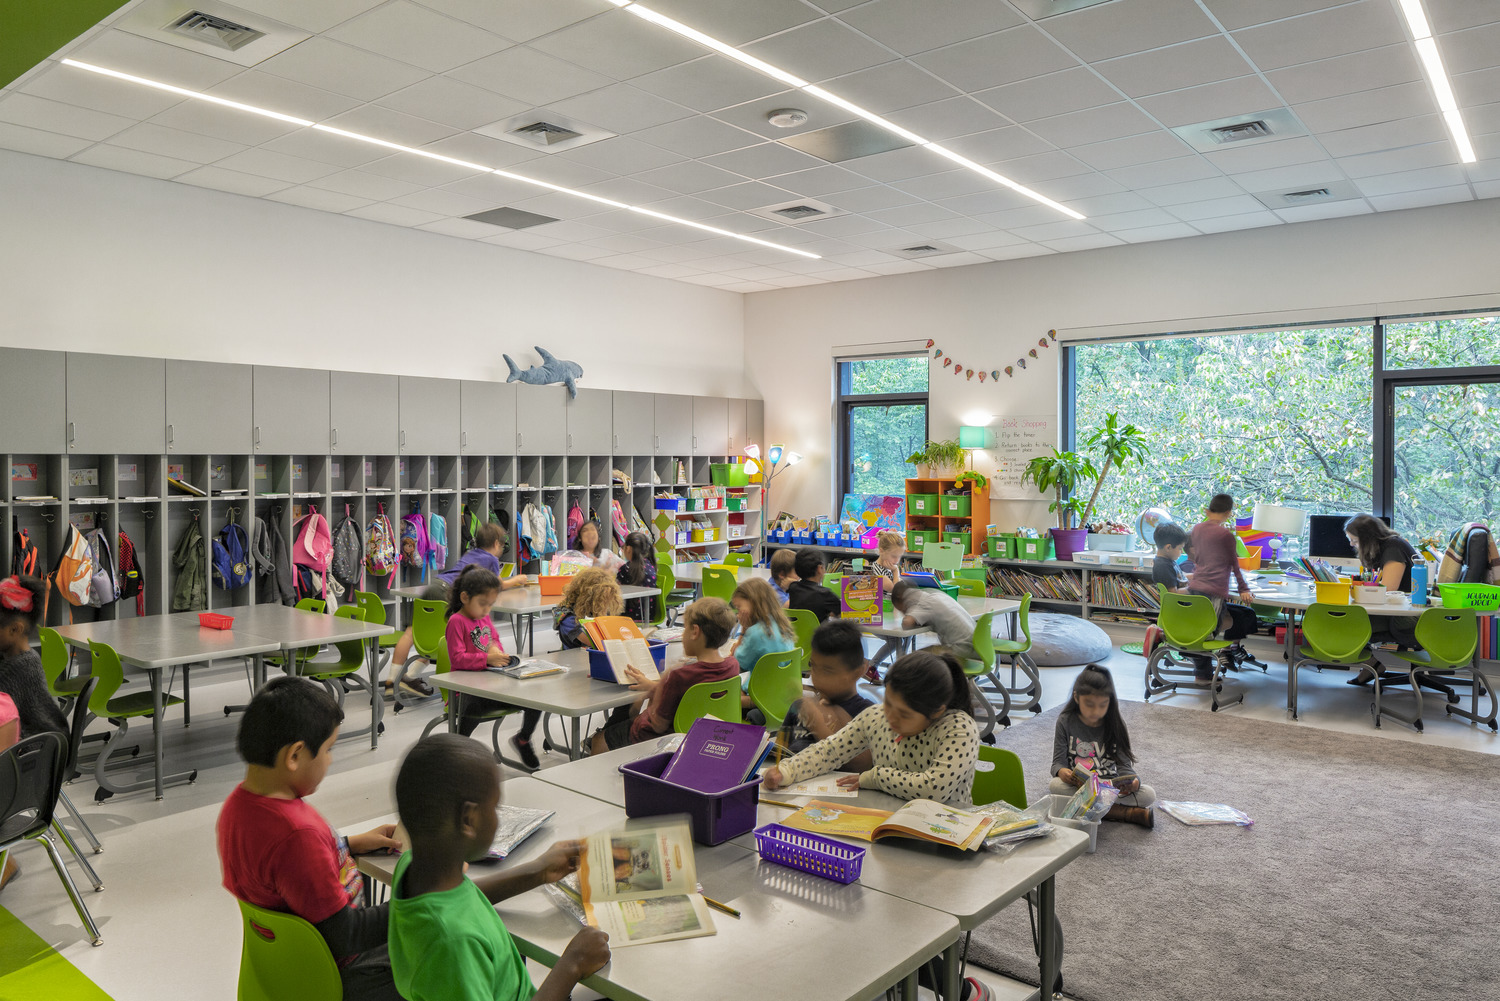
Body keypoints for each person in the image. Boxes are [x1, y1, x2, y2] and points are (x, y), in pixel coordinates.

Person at [216, 677, 405, 1000]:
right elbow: (348, 934)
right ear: (295, 755)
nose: (330, 760)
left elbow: (282, 874)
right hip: (341, 971)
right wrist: (416, 898)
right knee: (445, 944)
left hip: (287, 968)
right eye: (329, 749)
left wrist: (347, 844)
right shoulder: (296, 834)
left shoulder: (237, 808)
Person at [389, 734, 609, 1001]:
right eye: (495, 807)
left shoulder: (415, 867)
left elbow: (459, 902)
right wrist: (571, 965)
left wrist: (538, 871)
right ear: (468, 820)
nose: (499, 816)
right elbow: (454, 923)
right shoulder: (454, 945)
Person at [763, 649, 979, 805]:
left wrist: (874, 777)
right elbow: (829, 751)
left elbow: (933, 789)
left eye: (904, 714)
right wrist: (785, 771)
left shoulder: (958, 728)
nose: (891, 718)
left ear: (937, 712)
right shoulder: (877, 717)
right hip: (889, 823)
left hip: (943, 834)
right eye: (888, 703)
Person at [386, 524, 528, 697]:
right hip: (448, 592)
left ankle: (392, 681)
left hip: (435, 585)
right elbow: (498, 584)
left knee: (412, 632)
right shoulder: (491, 559)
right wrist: (517, 579)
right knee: (442, 637)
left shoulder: (472, 553)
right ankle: (410, 677)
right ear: (497, 544)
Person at [589, 597, 739, 753]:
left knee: (599, 739)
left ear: (695, 632)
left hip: (662, 738)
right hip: (703, 735)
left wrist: (661, 686)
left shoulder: (679, 675)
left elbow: (658, 724)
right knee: (623, 720)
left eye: (685, 629)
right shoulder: (732, 665)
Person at [513, 568, 627, 767]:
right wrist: (603, 618)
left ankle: (603, 736)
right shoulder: (565, 615)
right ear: (589, 595)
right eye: (602, 600)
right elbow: (592, 640)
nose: (605, 605)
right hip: (570, 672)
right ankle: (523, 738)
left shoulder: (596, 610)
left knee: (629, 695)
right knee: (538, 693)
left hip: (594, 668)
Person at [0, 575, 68, 894]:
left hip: (32, 772)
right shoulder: (11, 659)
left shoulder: (20, 670)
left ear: (16, 630)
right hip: (26, 758)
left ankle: (7, 863)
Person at [1050, 666, 1155, 828]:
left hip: (1109, 786)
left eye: (1103, 705)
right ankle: (1125, 813)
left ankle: (1090, 809)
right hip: (1080, 787)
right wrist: (1062, 772)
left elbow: (1125, 768)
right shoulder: (1065, 721)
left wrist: (1134, 783)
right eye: (1089, 704)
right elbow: (1057, 763)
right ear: (1076, 697)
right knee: (1055, 786)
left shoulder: (1115, 724)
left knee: (1148, 794)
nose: (1096, 711)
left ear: (1110, 701)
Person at [443, 566, 534, 752]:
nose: (487, 610)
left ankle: (523, 739)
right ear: (465, 598)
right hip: (465, 693)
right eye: (483, 603)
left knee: (535, 698)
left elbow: (495, 641)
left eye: (491, 604)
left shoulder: (483, 617)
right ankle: (458, 748)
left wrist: (495, 650)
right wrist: (486, 659)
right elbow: (458, 659)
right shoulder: (456, 621)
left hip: (491, 686)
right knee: (475, 704)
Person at [776, 620, 875, 772]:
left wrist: (818, 726)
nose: (817, 677)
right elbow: (780, 752)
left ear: (858, 672)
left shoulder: (867, 713)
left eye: (828, 671)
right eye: (813, 666)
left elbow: (863, 765)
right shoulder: (800, 706)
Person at [1186, 494, 1258, 656]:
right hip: (1214, 591)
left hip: (1196, 586)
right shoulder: (1226, 536)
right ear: (1228, 513)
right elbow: (1234, 565)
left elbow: (1198, 558)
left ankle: (1207, 669)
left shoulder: (1197, 529)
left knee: (1199, 629)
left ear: (1208, 510)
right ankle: (1203, 675)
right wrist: (1243, 589)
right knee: (1208, 633)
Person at [1344, 513, 1421, 660]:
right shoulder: (1383, 547)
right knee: (1350, 618)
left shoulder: (1393, 547)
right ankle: (1370, 667)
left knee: (1348, 621)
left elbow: (1388, 588)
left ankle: (1371, 666)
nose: (1351, 545)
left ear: (1367, 538)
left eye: (1354, 540)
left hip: (1406, 616)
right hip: (1397, 610)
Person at [728, 577, 796, 711]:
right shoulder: (782, 625)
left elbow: (736, 664)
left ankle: (754, 706)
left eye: (739, 607)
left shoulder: (755, 632)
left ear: (753, 603)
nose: (738, 614)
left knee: (724, 693)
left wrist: (743, 630)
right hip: (783, 693)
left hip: (761, 694)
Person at [891, 579, 977, 662]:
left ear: (903, 600)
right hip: (977, 645)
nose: (904, 612)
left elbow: (907, 623)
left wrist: (909, 615)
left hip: (961, 649)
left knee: (913, 659)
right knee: (926, 652)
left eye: (902, 610)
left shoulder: (924, 603)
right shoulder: (937, 595)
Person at [786, 547, 840, 622]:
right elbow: (841, 613)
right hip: (819, 633)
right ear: (819, 568)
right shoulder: (825, 594)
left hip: (796, 632)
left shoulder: (793, 587)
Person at [616, 531, 657, 622]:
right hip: (648, 616)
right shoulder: (651, 566)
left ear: (629, 549)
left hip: (628, 617)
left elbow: (616, 587)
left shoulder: (625, 568)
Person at [1150, 522, 1189, 593]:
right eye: (1180, 548)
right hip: (1180, 603)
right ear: (1168, 547)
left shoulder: (1168, 560)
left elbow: (1180, 576)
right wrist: (1193, 590)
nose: (1182, 552)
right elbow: (1173, 594)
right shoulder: (1163, 567)